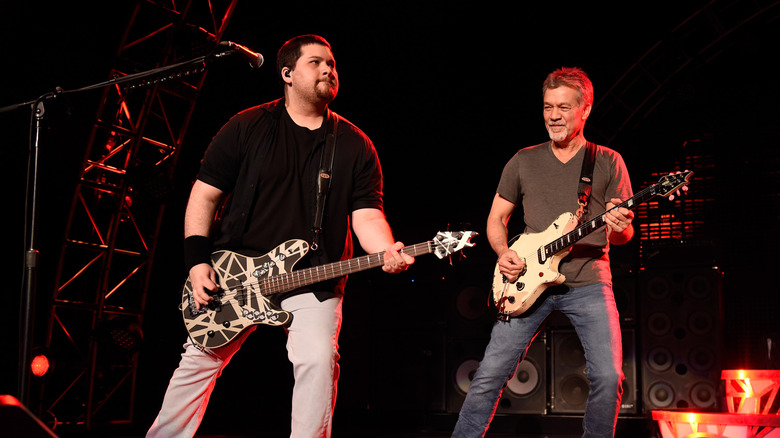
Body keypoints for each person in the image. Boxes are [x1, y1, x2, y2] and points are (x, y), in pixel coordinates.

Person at [146, 34, 414, 438]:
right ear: (287, 74)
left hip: (313, 276)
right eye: (317, 62)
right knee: (197, 363)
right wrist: (197, 261)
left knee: (318, 358)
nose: (329, 69)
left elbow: (367, 216)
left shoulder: (355, 145)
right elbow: (204, 194)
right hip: (234, 273)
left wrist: (384, 249)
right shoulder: (246, 126)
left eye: (332, 63)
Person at [452, 67, 634, 438]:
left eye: (563, 107)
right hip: (526, 280)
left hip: (588, 281)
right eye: (548, 107)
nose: (553, 116)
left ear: (585, 109)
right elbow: (496, 219)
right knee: (488, 375)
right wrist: (503, 252)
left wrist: (619, 227)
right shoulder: (523, 160)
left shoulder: (608, 160)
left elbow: (624, 235)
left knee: (608, 374)